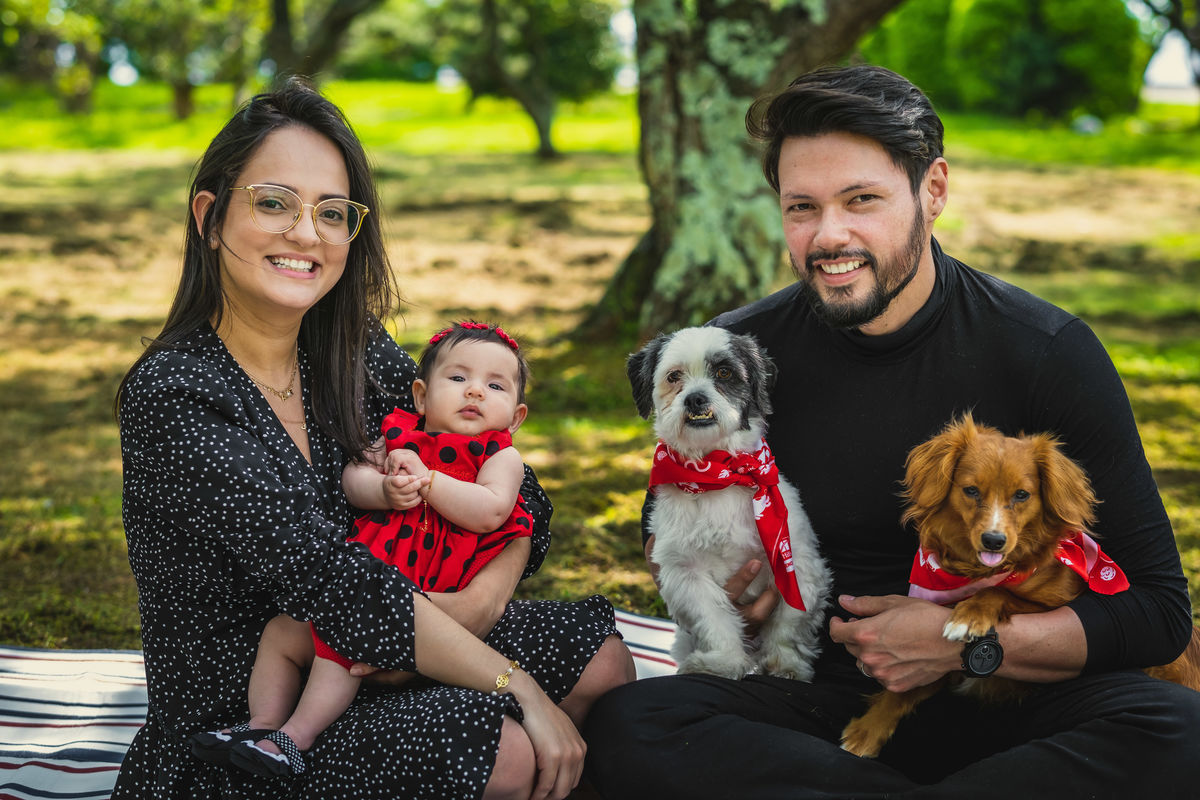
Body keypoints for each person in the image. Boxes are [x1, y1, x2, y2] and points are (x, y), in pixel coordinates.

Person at [583, 65, 1200, 798]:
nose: (828, 235)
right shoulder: (736, 357)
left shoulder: (1047, 351)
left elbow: (1158, 613)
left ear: (933, 190)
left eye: (861, 200)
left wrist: (962, 648)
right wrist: (737, 591)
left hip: (1011, 695)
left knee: (1178, 729)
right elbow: (664, 526)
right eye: (801, 207)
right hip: (821, 700)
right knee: (632, 725)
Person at [115, 77, 633, 800]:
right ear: (210, 216)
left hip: (381, 653)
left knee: (602, 660)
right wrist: (514, 684)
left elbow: (518, 495)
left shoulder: (351, 349)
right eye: (274, 202)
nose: (307, 234)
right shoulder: (177, 393)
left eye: (332, 212)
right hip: (252, 716)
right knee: (503, 747)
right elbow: (332, 582)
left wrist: (482, 602)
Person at [204, 320, 547, 778]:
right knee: (282, 633)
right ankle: (262, 722)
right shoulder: (399, 435)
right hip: (361, 581)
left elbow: (491, 511)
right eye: (458, 377)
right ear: (421, 396)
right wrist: (383, 490)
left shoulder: (500, 457)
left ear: (516, 417)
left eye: (495, 385)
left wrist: (427, 481)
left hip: (422, 596)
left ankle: (295, 739)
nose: (475, 392)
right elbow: (353, 478)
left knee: (340, 653)